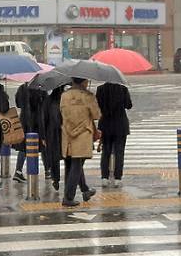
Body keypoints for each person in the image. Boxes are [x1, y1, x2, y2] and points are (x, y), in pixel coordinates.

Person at [59, 77, 100, 207]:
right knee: (77, 165)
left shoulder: (64, 96)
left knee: (74, 163)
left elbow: (62, 112)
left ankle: (85, 190)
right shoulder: (88, 96)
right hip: (82, 134)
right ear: (83, 82)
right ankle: (68, 197)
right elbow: (96, 115)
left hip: (68, 133)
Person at [96, 82, 132, 188]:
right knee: (119, 152)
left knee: (105, 152)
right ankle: (117, 178)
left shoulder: (100, 89)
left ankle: (104, 177)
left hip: (105, 124)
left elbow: (97, 105)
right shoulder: (123, 89)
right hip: (120, 125)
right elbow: (128, 105)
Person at [13, 82, 47, 182]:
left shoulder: (22, 88)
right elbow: (45, 105)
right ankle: (47, 170)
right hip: (37, 121)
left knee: (24, 147)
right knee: (42, 144)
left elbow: (18, 104)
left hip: (24, 120)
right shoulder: (41, 89)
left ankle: (18, 171)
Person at [41, 86, 65, 191]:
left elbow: (44, 118)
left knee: (54, 157)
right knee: (67, 156)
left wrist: (43, 136)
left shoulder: (48, 100)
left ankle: (56, 179)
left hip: (51, 132)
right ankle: (69, 178)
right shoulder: (65, 99)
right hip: (64, 131)